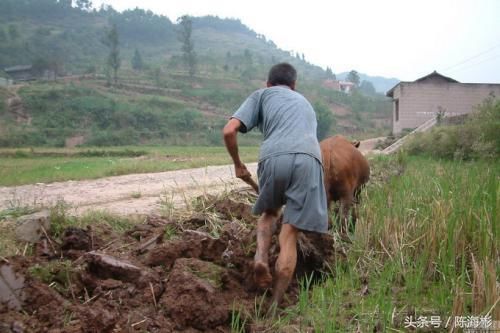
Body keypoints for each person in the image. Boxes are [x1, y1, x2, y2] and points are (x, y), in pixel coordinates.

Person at [222, 63, 328, 306]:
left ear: (268, 84)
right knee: (289, 232)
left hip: (273, 156)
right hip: (309, 159)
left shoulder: (261, 95)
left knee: (269, 213)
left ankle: (260, 258)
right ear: (294, 86)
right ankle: (275, 304)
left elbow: (229, 131)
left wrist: (238, 164)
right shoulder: (306, 104)